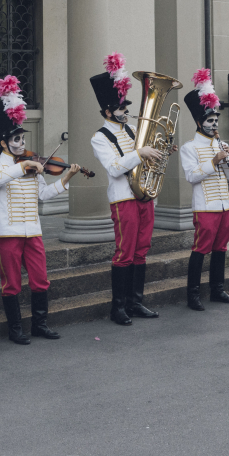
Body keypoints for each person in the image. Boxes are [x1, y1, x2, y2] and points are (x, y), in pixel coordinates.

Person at [0, 75, 78, 344]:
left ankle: (40, 325)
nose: (22, 144)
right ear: (4, 143)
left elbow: (44, 195)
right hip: (7, 232)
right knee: (11, 282)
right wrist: (23, 166)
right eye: (16, 139)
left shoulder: (32, 164)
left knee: (40, 279)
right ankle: (15, 330)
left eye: (22, 138)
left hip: (32, 230)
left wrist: (65, 179)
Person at [89, 52, 164, 325]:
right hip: (123, 199)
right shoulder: (99, 137)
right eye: (120, 109)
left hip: (144, 195)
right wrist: (141, 152)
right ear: (108, 111)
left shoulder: (133, 129)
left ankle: (136, 303)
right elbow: (114, 168)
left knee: (141, 249)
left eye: (125, 107)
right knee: (124, 252)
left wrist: (159, 150)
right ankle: (117, 308)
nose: (125, 112)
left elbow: (144, 153)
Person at [179, 69, 229, 310]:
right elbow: (192, 176)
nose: (214, 124)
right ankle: (192, 295)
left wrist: (226, 160)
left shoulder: (220, 144)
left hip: (224, 205)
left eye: (216, 120)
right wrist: (213, 161)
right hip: (205, 207)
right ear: (198, 122)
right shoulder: (189, 147)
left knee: (221, 248)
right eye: (209, 121)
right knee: (200, 249)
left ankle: (218, 290)